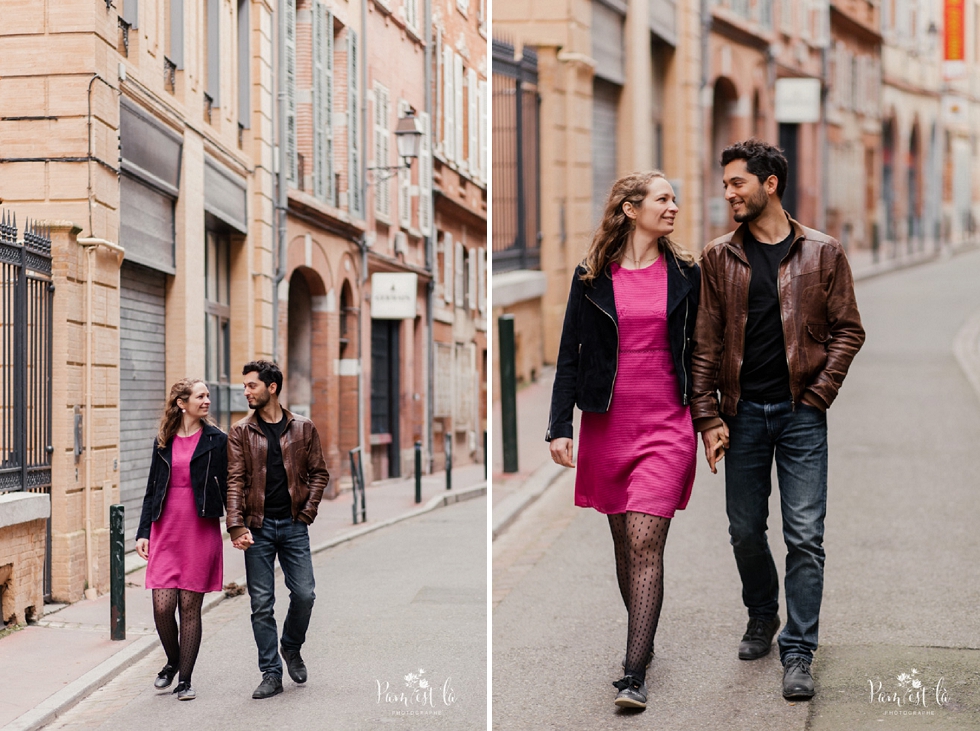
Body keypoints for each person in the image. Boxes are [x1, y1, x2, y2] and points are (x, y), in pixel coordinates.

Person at [691, 139, 865, 700]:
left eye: (736, 182)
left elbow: (848, 330)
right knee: (744, 530)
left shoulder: (823, 252)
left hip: (800, 417)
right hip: (740, 416)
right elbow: (705, 342)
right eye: (725, 185)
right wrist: (707, 414)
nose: (728, 193)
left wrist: (818, 396)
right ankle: (762, 612)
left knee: (805, 537)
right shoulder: (719, 256)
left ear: (769, 184)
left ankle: (798, 651)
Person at [546, 171, 700, 710]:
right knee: (622, 545)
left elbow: (701, 352)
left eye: (674, 198)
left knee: (643, 542)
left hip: (667, 425)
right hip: (608, 426)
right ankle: (644, 634)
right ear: (631, 209)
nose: (674, 207)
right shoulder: (592, 277)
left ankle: (633, 672)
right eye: (664, 198)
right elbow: (570, 353)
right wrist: (558, 426)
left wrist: (712, 418)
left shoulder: (686, 273)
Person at [226, 360, 331, 700]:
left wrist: (307, 512)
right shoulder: (240, 431)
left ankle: (291, 645)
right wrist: (236, 525)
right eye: (244, 386)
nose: (246, 391)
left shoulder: (303, 428)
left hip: (293, 525)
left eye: (251, 385)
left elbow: (319, 473)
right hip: (256, 527)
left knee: (304, 595)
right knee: (261, 603)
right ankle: (270, 673)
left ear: (271, 387)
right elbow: (235, 481)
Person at [135, 379, 227, 701]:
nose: (207, 400)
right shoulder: (164, 441)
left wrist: (240, 525)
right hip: (166, 529)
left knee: (189, 607)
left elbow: (232, 486)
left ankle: (184, 679)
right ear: (182, 403)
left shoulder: (218, 440)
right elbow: (151, 490)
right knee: (163, 607)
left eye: (207, 396)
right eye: (200, 396)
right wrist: (143, 531)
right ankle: (172, 661)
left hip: (199, 530)